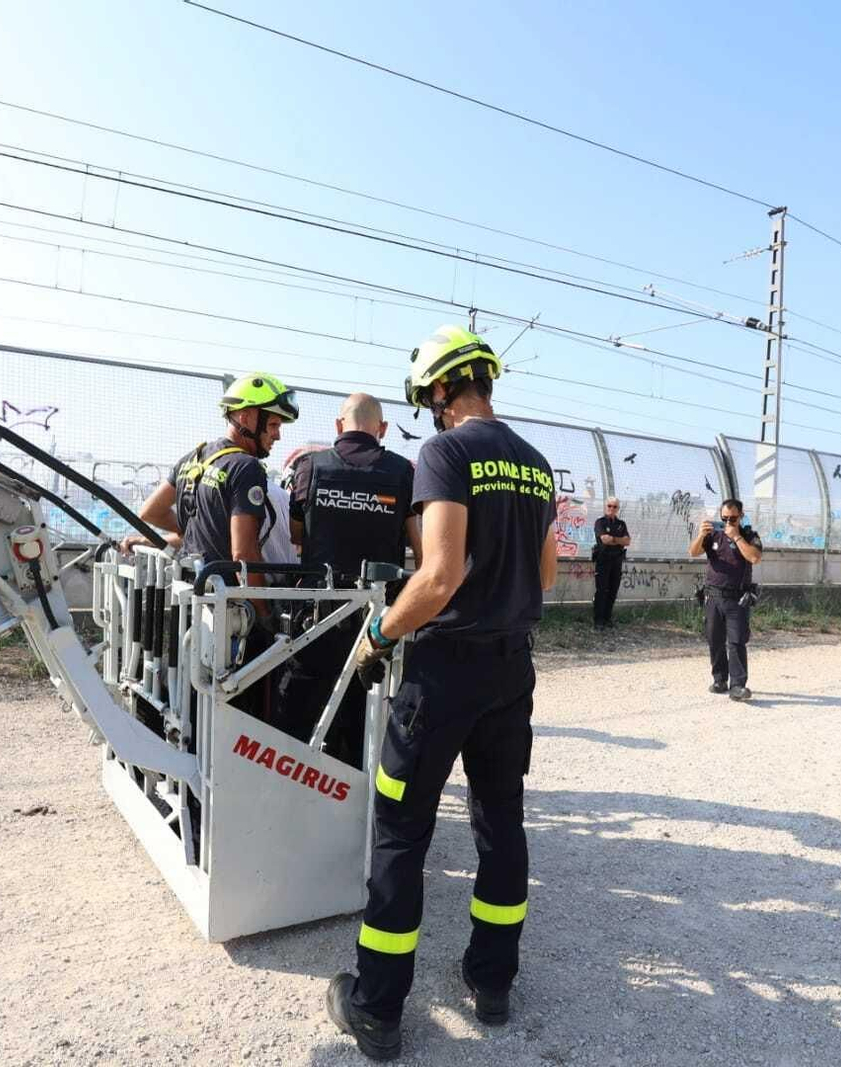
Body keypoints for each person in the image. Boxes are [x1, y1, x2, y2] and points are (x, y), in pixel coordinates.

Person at [325, 325, 557, 1061]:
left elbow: (438, 574)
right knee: (500, 823)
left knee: (400, 830)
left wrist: (380, 637)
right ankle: (491, 984)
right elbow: (546, 577)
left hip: (444, 669)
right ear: (483, 381)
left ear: (436, 392)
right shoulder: (538, 463)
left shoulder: (447, 453)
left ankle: (378, 1007)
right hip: (510, 670)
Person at [126, 371, 300, 718]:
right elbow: (243, 554)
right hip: (231, 611)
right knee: (240, 706)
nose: (278, 435)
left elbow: (151, 511)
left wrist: (190, 532)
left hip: (191, 598)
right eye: (274, 424)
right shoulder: (246, 467)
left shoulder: (196, 456)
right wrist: (264, 615)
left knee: (192, 699)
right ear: (247, 417)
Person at [277, 393, 419, 762]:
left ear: (339, 426)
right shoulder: (403, 472)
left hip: (318, 612)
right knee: (365, 706)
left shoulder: (310, 466)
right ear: (382, 429)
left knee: (302, 704)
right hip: (376, 619)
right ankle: (354, 790)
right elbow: (420, 547)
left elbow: (296, 533)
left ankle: (294, 781)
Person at [687, 498, 763, 701]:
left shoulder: (748, 535)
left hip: (737, 599)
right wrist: (701, 534)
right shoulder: (713, 534)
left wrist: (737, 538)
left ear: (741, 515)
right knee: (715, 639)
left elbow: (755, 557)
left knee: (737, 642)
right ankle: (720, 679)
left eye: (733, 518)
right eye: (724, 518)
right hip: (713, 597)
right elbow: (693, 552)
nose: (728, 522)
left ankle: (738, 686)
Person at [591, 497, 630, 628]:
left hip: (617, 561)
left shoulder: (621, 524)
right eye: (609, 506)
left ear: (618, 509)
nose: (611, 509)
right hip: (603, 560)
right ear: (605, 507)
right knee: (601, 591)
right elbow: (604, 539)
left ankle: (607, 618)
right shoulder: (600, 522)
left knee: (613, 590)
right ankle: (598, 620)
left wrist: (612, 539)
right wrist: (618, 540)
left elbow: (627, 541)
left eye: (614, 507)